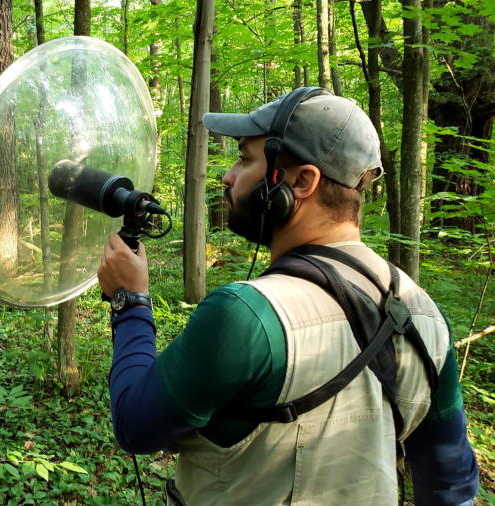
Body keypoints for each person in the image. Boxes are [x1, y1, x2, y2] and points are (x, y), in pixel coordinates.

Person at [98, 87, 479, 505]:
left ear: (300, 182)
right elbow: (450, 483)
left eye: (245, 159)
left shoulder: (246, 315)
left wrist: (129, 301)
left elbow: (136, 425)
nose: (227, 175)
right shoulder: (423, 313)